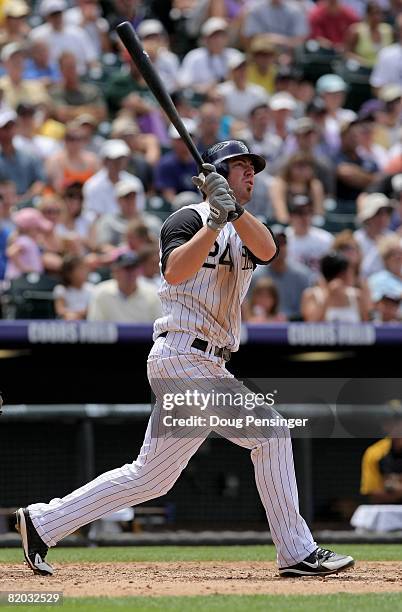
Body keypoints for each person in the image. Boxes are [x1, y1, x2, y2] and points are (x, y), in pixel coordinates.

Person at [15, 139, 354, 578]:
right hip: (182, 354)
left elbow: (268, 250)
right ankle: (297, 552)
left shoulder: (247, 227)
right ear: (212, 174)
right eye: (240, 166)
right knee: (271, 432)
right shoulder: (185, 219)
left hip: (208, 362)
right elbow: (175, 271)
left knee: (151, 477)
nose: (251, 173)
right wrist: (212, 222)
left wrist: (232, 212)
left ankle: (42, 523)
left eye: (254, 167)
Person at [253, 225, 313, 320]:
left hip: (295, 327)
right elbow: (249, 308)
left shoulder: (302, 275)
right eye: (275, 242)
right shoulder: (255, 276)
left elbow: (307, 311)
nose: (279, 247)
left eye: (282, 243)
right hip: (263, 326)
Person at [87, 250, 162, 322]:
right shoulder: (101, 292)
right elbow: (95, 326)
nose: (131, 273)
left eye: (134, 268)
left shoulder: (153, 293)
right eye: (126, 268)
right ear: (115, 271)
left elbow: (160, 328)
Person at [301, 251, 368, 322]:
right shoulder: (311, 295)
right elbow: (311, 323)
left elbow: (368, 324)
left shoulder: (357, 297)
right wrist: (328, 296)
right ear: (341, 274)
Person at [53, 254, 94, 320]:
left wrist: (79, 314)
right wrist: (71, 315)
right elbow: (60, 310)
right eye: (80, 269)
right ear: (68, 273)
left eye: (84, 269)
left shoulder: (91, 288)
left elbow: (91, 309)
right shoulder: (61, 289)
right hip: (68, 321)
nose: (84, 272)